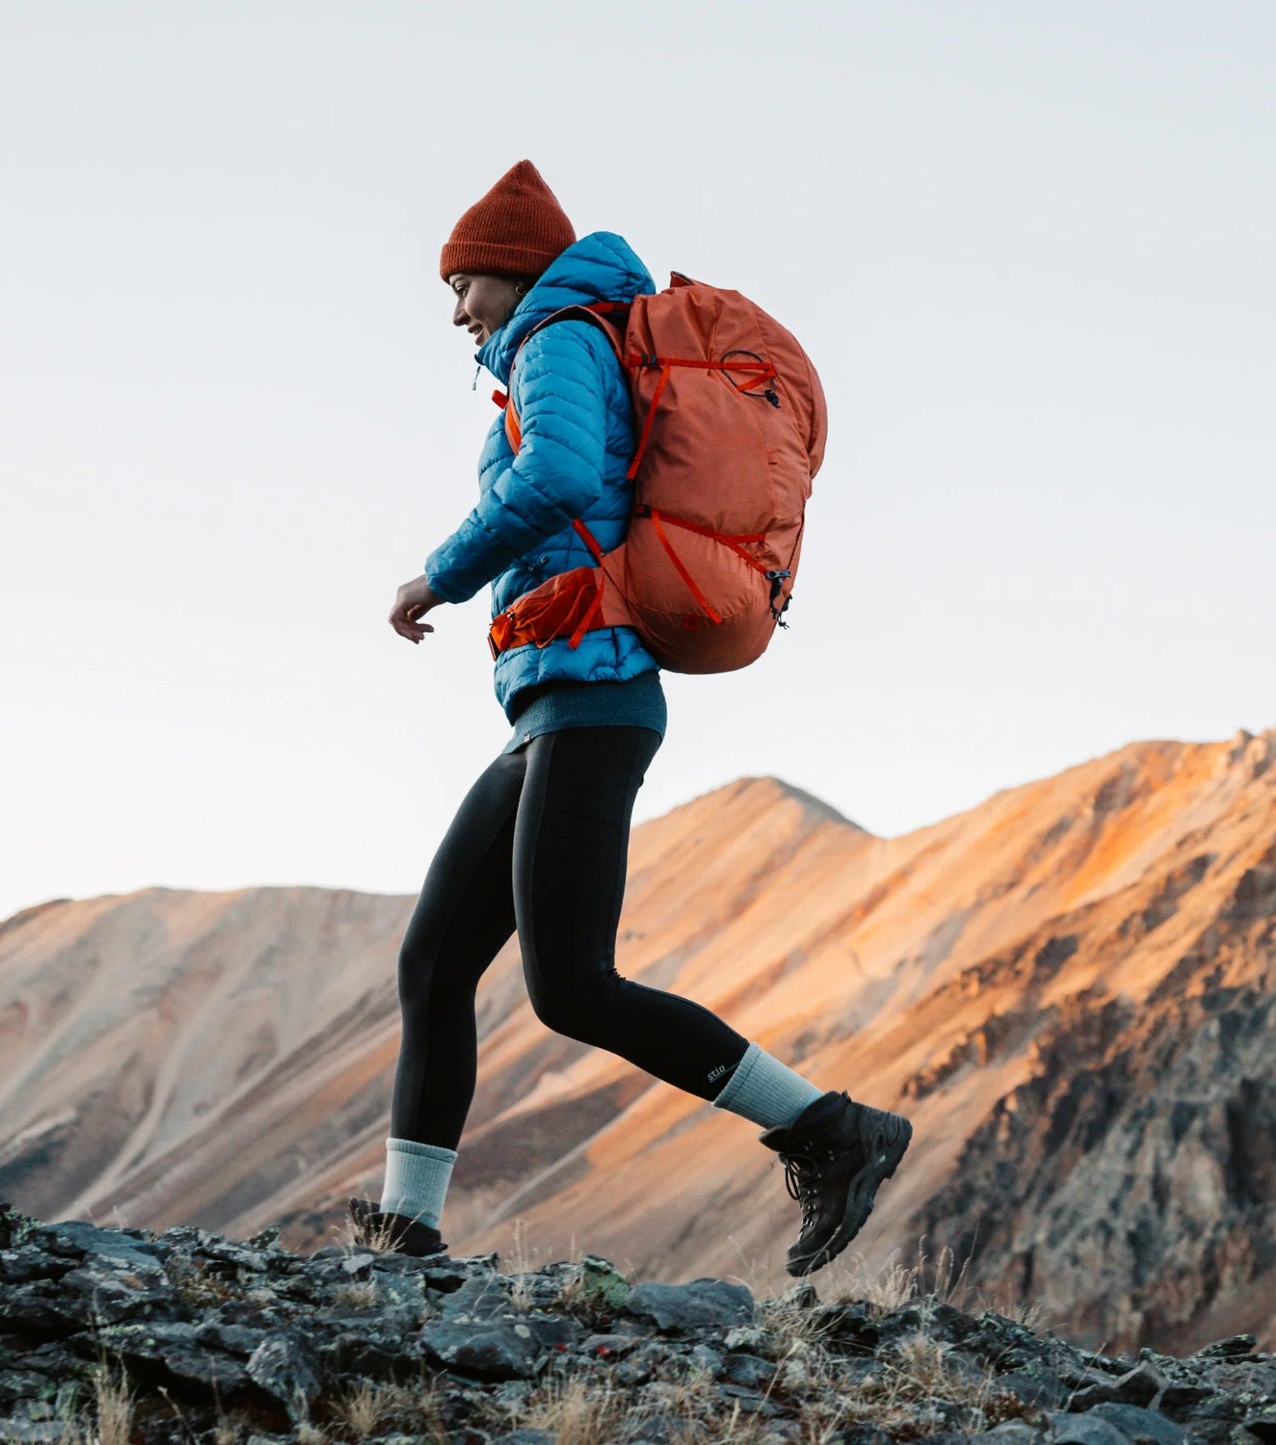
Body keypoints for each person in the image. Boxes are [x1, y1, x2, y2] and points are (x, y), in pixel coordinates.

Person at [351, 160, 911, 1277]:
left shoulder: (557, 338)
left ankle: (830, 1129)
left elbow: (557, 476)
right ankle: (403, 1234)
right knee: (434, 960)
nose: (456, 312)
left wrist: (438, 575)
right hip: (552, 700)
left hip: (592, 696)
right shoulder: (561, 341)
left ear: (514, 272)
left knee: (571, 985)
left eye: (463, 285)